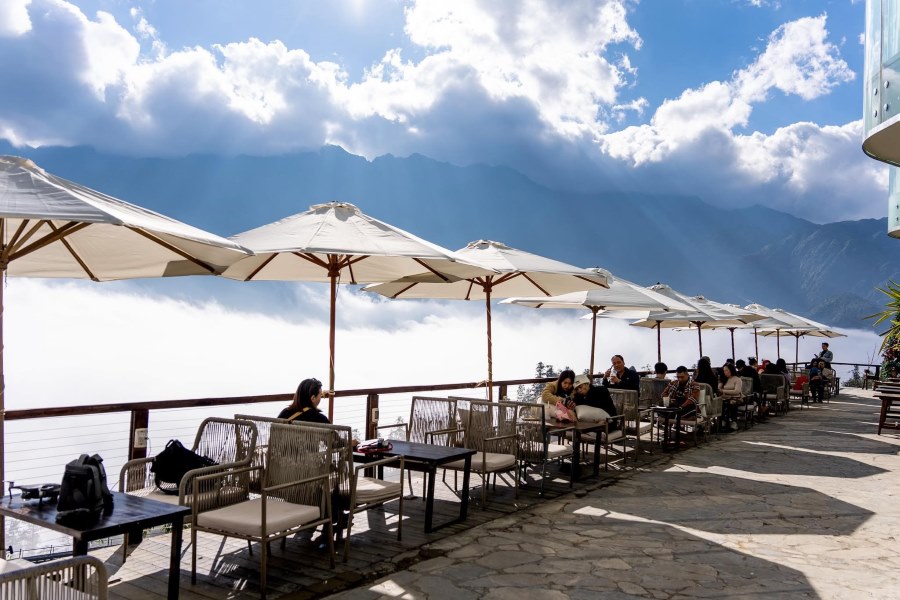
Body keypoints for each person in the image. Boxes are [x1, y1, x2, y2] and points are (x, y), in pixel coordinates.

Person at [718, 363, 743, 431]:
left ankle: (733, 422)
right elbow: (718, 389)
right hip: (725, 398)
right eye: (724, 371)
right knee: (721, 404)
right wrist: (721, 390)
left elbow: (737, 391)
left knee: (732, 404)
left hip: (736, 398)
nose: (725, 372)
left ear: (731, 370)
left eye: (726, 370)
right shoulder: (724, 379)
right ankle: (722, 421)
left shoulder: (737, 379)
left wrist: (723, 391)